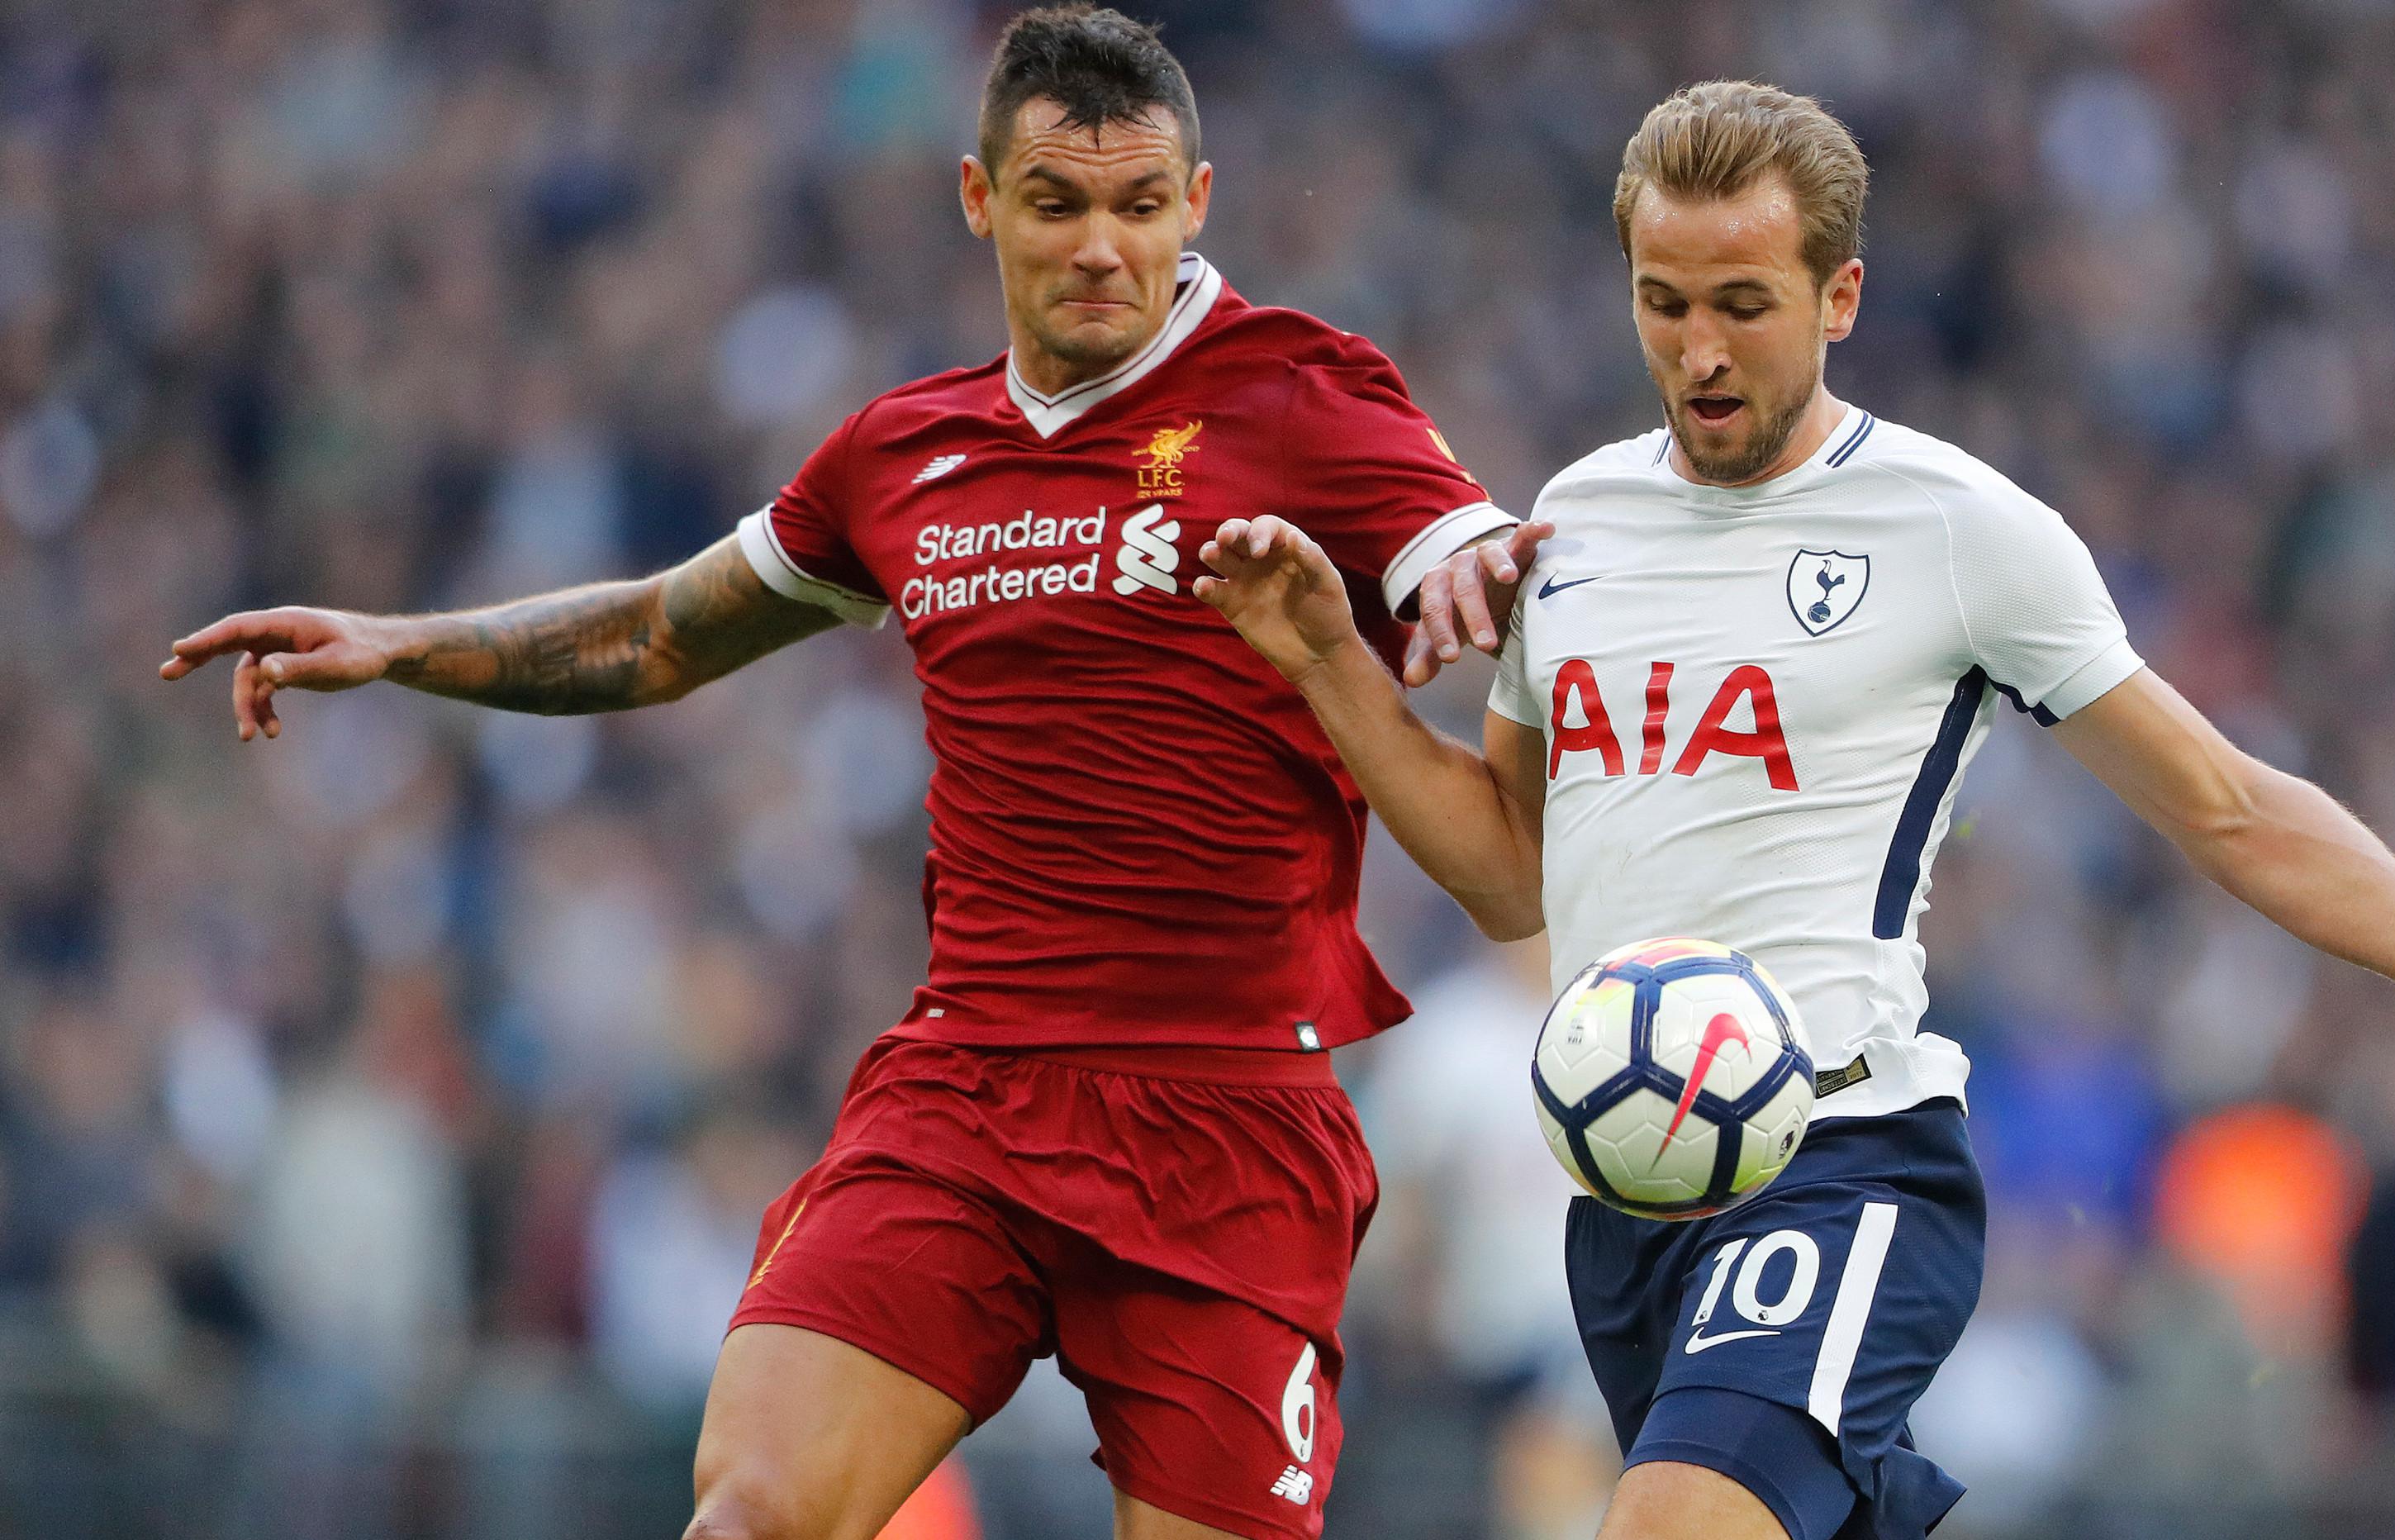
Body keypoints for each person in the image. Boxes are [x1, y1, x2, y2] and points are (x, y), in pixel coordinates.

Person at [1191, 81, 2395, 1540]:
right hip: (1628, 1203)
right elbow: (1516, 880)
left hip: (1842, 1157)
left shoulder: (1960, 530)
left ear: (1842, 297)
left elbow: (2227, 806)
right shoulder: (1573, 525)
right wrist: (1330, 662)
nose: (1697, 350)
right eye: (1662, 301)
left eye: (1743, 303)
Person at [158, 9, 1541, 1539]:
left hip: (1224, 1117)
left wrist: (1479, 568)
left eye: (1141, 208)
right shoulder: (905, 452)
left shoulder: (1303, 392)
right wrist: (399, 642)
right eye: (1057, 203)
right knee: (749, 1511)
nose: (1102, 248)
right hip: (968, 1090)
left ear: (1196, 205)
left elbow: (1467, 550)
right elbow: (660, 635)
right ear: (978, 198)